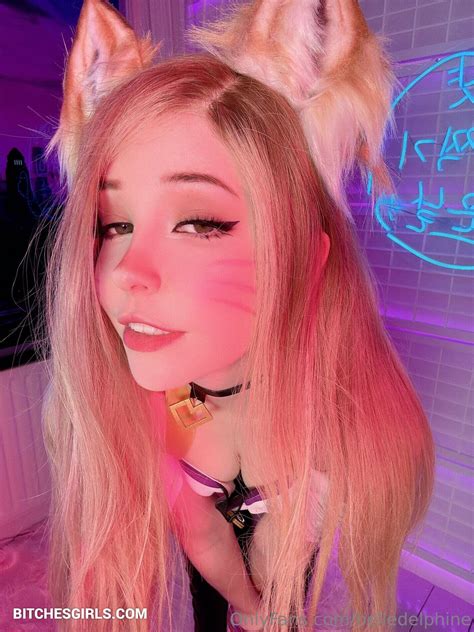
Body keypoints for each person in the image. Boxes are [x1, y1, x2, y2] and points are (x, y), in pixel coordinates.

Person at [38, 0, 435, 630]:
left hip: (289, 491)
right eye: (113, 225)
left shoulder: (324, 414)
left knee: (288, 600)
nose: (126, 271)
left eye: (199, 222)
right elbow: (199, 533)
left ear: (307, 257)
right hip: (214, 498)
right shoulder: (150, 415)